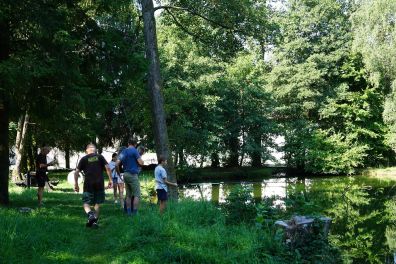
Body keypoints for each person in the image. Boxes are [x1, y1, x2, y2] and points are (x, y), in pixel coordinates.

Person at [74, 143, 112, 228]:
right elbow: (108, 168)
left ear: (87, 150)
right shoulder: (100, 157)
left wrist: (76, 184)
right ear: (95, 150)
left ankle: (90, 215)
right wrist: (110, 180)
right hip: (99, 183)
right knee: (97, 202)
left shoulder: (84, 159)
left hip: (88, 184)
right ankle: (94, 222)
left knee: (86, 202)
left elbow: (76, 172)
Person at [116, 138, 143, 216]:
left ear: (128, 143)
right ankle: (135, 213)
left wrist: (118, 174)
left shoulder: (124, 151)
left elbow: (116, 164)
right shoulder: (134, 151)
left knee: (128, 195)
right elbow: (141, 162)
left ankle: (128, 212)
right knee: (137, 194)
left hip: (125, 174)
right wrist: (140, 163)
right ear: (135, 144)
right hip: (133, 175)